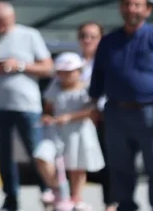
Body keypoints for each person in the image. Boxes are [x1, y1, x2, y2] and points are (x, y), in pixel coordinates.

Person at [88, 0, 153, 211]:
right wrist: (93, 103)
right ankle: (125, 206)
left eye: (137, 5)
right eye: (128, 4)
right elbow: (98, 74)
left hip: (152, 112)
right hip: (116, 112)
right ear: (121, 8)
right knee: (119, 167)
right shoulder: (109, 41)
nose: (132, 9)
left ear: (147, 10)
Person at [0, 1, 53, 211]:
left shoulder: (29, 35)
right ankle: (11, 198)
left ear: (12, 18)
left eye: (3, 22)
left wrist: (21, 66)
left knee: (36, 152)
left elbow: (48, 68)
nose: (0, 26)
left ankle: (48, 192)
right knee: (4, 155)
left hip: (27, 106)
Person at [34, 53, 104, 211]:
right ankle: (58, 190)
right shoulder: (54, 87)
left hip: (80, 132)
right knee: (42, 157)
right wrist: (47, 117)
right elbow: (48, 110)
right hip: (56, 134)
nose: (65, 75)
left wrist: (70, 117)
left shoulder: (88, 88)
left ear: (79, 71)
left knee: (77, 166)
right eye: (62, 71)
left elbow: (94, 111)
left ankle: (76, 199)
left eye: (70, 71)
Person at [76, 21, 112, 210]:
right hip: (76, 119)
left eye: (92, 36)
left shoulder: (107, 61)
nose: (87, 40)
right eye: (83, 36)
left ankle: (110, 203)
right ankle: (75, 199)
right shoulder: (73, 62)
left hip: (100, 117)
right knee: (76, 162)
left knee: (107, 163)